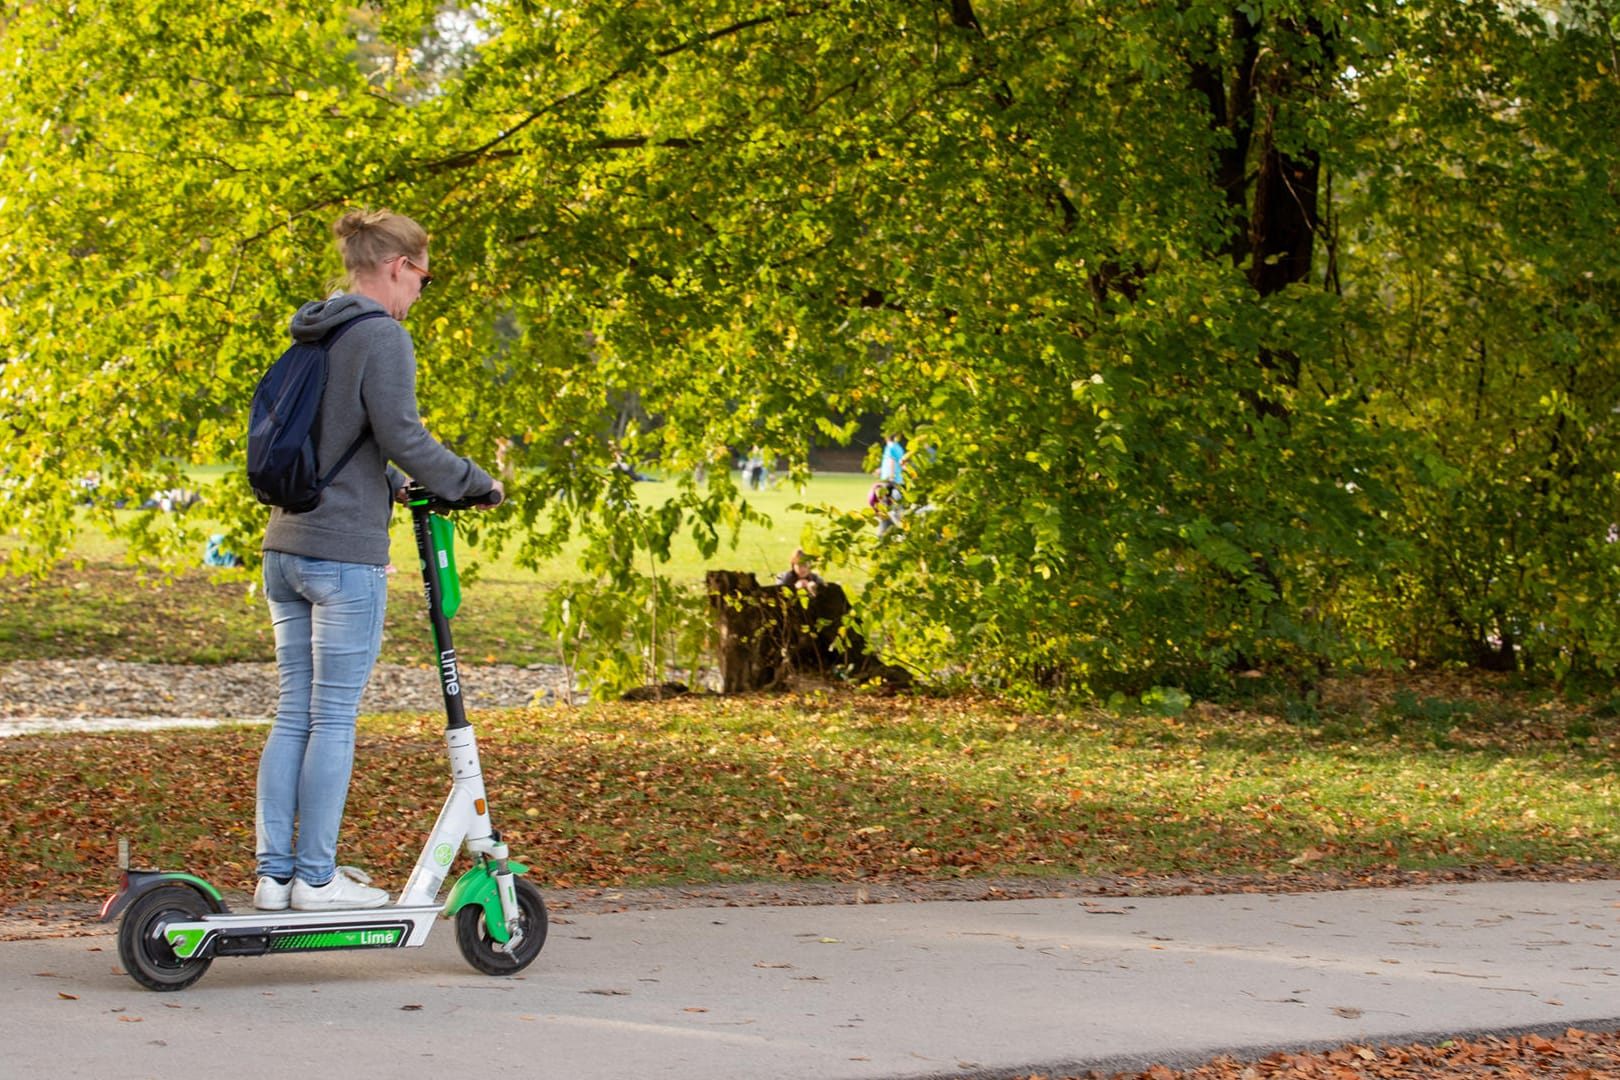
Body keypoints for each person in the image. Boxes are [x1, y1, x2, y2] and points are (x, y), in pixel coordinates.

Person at [254, 208, 503, 913]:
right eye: (424, 278)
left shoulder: (317, 329)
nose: (422, 292)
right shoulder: (381, 335)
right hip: (342, 557)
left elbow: (340, 437)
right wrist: (473, 482)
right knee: (332, 717)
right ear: (398, 266)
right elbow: (401, 433)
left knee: (293, 713)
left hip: (285, 547)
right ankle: (317, 878)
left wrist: (392, 485)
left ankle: (276, 877)